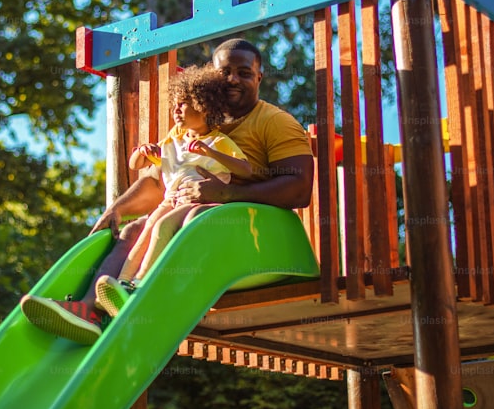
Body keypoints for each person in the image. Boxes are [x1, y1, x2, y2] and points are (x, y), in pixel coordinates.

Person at [20, 38, 314, 345]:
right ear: (210, 75)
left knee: (194, 217)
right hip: (198, 214)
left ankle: (142, 292)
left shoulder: (275, 122)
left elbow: (299, 189)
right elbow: (160, 182)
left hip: (253, 232)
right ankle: (90, 309)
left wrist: (225, 195)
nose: (233, 80)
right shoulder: (192, 127)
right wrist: (116, 209)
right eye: (224, 72)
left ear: (259, 77)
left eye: (244, 72)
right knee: (134, 228)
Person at [93, 65, 252, 317]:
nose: (176, 110)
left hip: (198, 203)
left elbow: (245, 170)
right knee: (145, 229)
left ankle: (140, 285)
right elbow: (136, 165)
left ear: (204, 107)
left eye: (183, 104)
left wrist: (209, 152)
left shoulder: (219, 141)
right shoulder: (175, 138)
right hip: (171, 201)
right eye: (175, 104)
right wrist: (143, 152)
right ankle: (122, 285)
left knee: (160, 227)